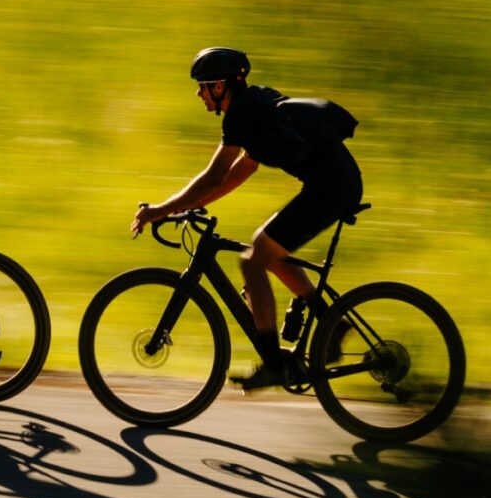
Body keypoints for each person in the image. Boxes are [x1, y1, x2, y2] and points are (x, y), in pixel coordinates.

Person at [131, 46, 362, 389]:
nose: (199, 94)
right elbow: (240, 172)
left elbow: (214, 175)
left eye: (203, 86)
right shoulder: (254, 104)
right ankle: (332, 323)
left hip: (331, 189)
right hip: (333, 184)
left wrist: (161, 210)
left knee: (253, 262)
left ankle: (273, 365)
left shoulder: (240, 114)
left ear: (221, 86)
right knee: (263, 250)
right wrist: (187, 206)